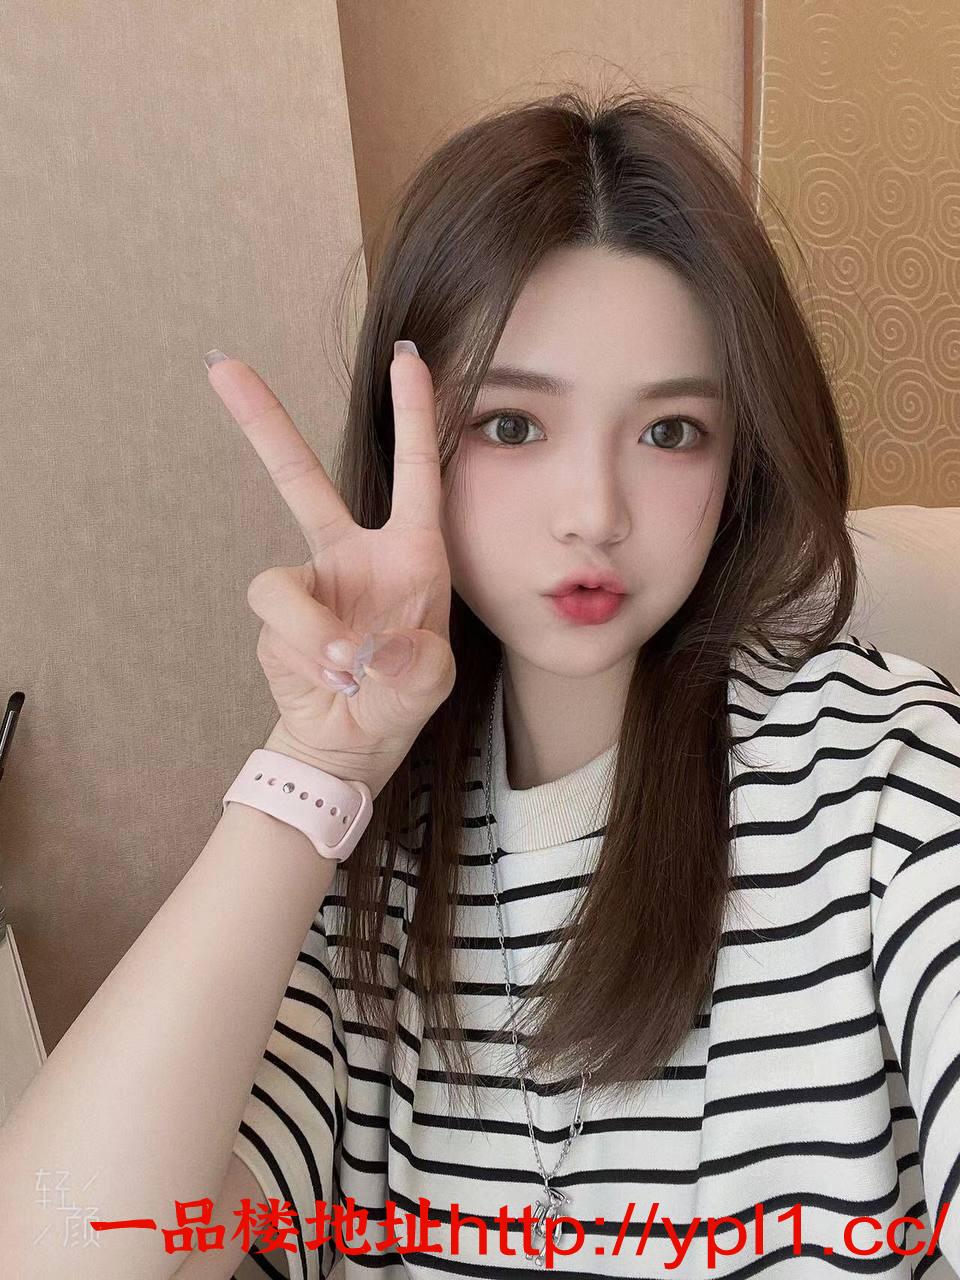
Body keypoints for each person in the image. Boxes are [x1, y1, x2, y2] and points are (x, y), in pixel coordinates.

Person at [1, 87, 958, 1280]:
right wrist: (315, 768)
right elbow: (63, 1255)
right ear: (413, 450)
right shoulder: (364, 877)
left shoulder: (882, 772)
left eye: (671, 431)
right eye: (511, 425)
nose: (594, 513)